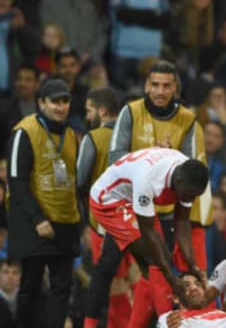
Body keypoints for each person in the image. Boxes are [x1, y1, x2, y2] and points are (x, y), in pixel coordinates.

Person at [108, 60, 210, 325]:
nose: (160, 91)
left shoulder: (187, 119)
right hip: (133, 207)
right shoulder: (130, 112)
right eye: (155, 85)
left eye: (166, 86)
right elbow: (114, 158)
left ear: (176, 88)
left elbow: (191, 168)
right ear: (146, 85)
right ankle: (165, 322)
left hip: (169, 209)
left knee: (152, 276)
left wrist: (169, 157)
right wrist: (150, 155)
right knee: (150, 273)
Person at [83, 147, 209, 328]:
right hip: (109, 200)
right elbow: (148, 232)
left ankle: (144, 323)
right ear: (179, 181)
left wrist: (192, 265)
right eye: (189, 195)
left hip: (133, 196)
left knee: (152, 268)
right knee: (157, 262)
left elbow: (181, 223)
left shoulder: (188, 176)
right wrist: (173, 280)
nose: (191, 199)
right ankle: (168, 323)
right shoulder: (148, 180)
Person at [6, 78, 81, 328]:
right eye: (54, 101)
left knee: (62, 287)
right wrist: (37, 218)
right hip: (33, 222)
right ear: (41, 103)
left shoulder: (72, 136)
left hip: (65, 221)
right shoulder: (24, 131)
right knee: (30, 285)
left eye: (65, 101)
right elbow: (15, 181)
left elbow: (76, 181)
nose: (60, 107)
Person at [76, 87, 132, 328]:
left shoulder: (93, 137)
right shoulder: (134, 136)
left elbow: (80, 180)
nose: (88, 117)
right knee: (136, 279)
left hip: (104, 222)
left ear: (101, 110)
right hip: (134, 219)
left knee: (114, 281)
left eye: (89, 111)